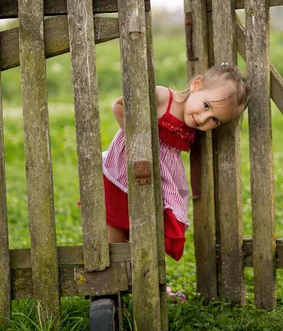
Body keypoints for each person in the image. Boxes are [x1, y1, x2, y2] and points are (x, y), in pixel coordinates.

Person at [102, 63, 249, 265]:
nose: (203, 119)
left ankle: (136, 274)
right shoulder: (163, 98)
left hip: (162, 175)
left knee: (148, 226)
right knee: (115, 222)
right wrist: (138, 144)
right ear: (197, 84)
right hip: (129, 166)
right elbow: (119, 106)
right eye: (206, 106)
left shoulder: (192, 121)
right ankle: (109, 282)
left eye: (215, 120)